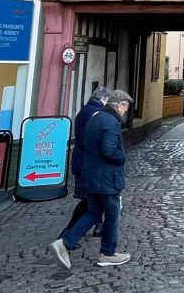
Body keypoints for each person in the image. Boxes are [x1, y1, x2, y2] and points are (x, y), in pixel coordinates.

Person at [50, 89, 133, 268]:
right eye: (126, 107)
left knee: (93, 212)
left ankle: (64, 242)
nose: (126, 111)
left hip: (92, 175)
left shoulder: (95, 118)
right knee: (112, 213)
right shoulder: (111, 122)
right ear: (120, 105)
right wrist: (122, 157)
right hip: (107, 178)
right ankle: (108, 253)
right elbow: (109, 150)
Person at [58, 86, 109, 243]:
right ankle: (67, 236)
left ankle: (74, 234)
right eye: (106, 101)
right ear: (102, 99)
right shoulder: (97, 114)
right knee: (90, 202)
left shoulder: (84, 112)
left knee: (90, 201)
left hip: (82, 160)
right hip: (89, 163)